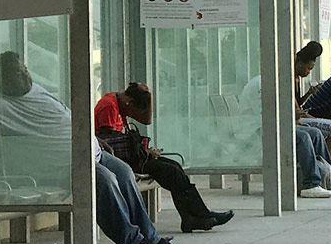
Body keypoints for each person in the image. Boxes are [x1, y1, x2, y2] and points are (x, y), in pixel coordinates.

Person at [0, 51, 170, 244]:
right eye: (17, 72)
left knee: (124, 172)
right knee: (104, 179)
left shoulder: (39, 91)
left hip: (90, 153)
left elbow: (67, 120)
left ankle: (149, 235)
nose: (25, 74)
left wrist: (94, 139)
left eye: (24, 69)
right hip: (58, 168)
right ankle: (132, 240)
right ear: (0, 80)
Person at [95, 83, 235, 232]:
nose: (130, 114)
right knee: (170, 172)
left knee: (175, 167)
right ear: (130, 102)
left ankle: (194, 216)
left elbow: (146, 120)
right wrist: (145, 152)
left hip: (131, 156)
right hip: (120, 160)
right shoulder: (109, 106)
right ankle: (199, 216)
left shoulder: (121, 102)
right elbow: (110, 143)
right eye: (131, 110)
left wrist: (150, 95)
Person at [294, 43, 331, 162]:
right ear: (300, 64)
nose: (308, 72)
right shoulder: (290, 79)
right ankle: (324, 166)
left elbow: (298, 102)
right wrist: (313, 118)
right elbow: (297, 112)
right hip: (297, 118)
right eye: (309, 68)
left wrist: (309, 93)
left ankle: (326, 165)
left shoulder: (297, 79)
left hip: (300, 116)